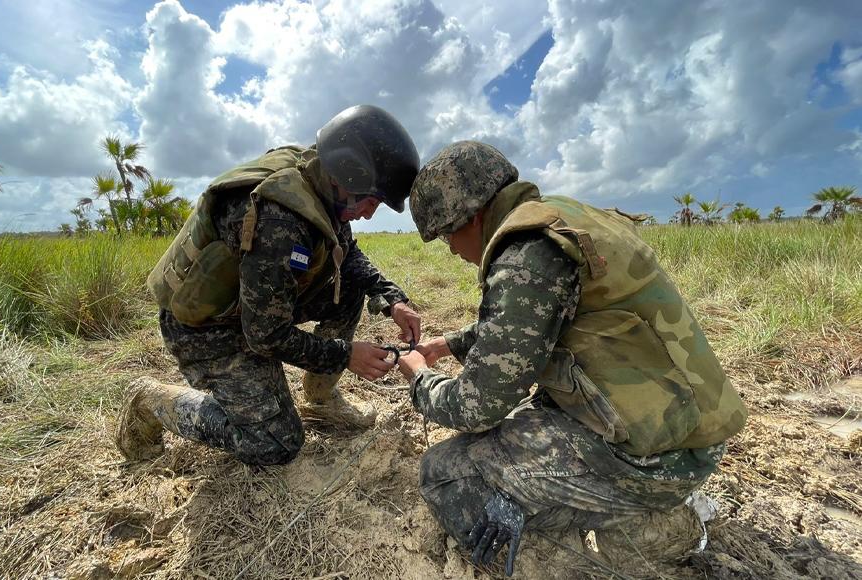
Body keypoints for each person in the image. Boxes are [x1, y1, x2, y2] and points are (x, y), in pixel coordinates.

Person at [397, 141, 747, 575]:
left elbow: (476, 407)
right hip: (679, 425)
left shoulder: (526, 256)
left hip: (657, 461)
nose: (450, 248)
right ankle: (645, 510)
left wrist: (419, 377)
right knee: (520, 424)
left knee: (444, 471)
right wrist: (450, 344)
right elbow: (539, 322)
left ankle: (638, 527)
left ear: (470, 216)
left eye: (447, 234)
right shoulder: (558, 218)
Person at [116, 105, 422, 466]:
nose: (369, 214)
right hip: (209, 326)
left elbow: (346, 253)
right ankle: (150, 400)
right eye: (371, 202)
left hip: (258, 304)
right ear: (349, 175)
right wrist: (346, 354)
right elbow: (266, 335)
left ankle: (321, 398)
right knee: (275, 442)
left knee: (350, 285)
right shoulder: (280, 221)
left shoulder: (322, 182)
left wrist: (392, 299)